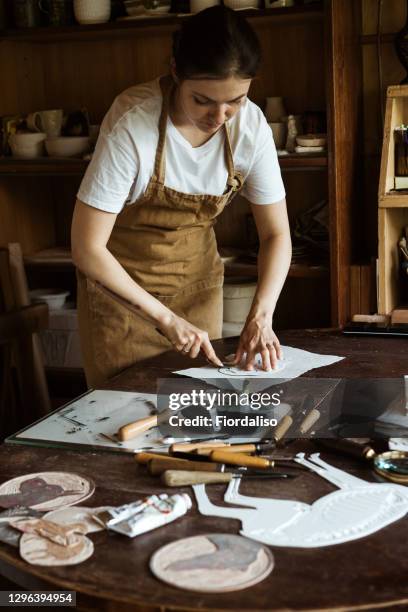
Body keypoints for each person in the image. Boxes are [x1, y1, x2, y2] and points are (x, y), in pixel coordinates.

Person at [71, 5, 291, 388]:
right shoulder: (133, 123)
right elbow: (87, 247)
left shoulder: (251, 126)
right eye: (202, 100)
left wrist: (261, 315)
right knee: (123, 422)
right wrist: (167, 320)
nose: (219, 115)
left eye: (235, 101)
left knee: (196, 419)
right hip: (124, 300)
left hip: (198, 290)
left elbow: (276, 235)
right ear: (175, 72)